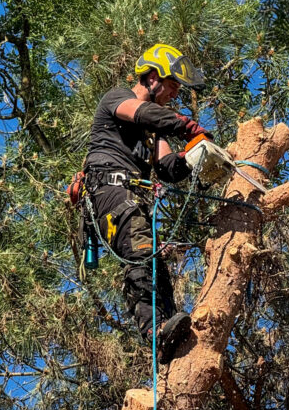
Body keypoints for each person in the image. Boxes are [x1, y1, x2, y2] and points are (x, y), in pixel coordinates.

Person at [82, 44, 209, 364]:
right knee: (140, 254)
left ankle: (168, 339)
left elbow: (167, 168)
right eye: (172, 84)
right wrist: (187, 126)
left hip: (134, 200)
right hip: (111, 191)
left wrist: (195, 156)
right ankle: (154, 331)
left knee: (156, 268)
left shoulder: (154, 131)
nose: (175, 93)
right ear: (152, 77)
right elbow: (143, 113)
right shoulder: (118, 99)